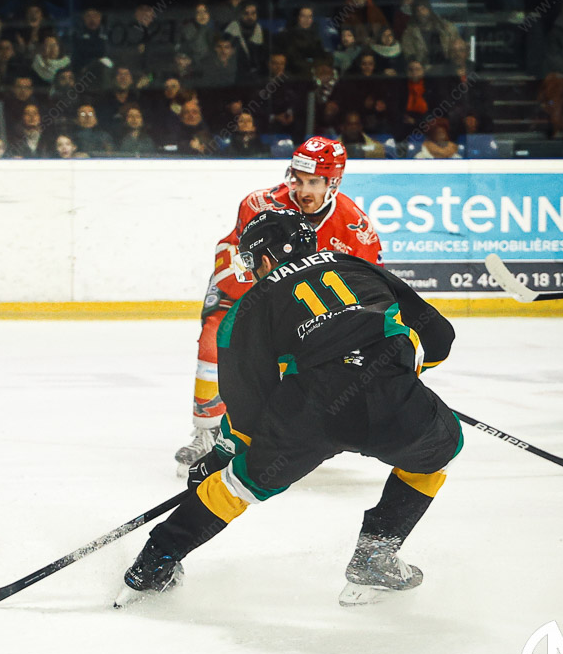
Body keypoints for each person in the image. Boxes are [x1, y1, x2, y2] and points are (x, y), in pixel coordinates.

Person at [118, 210, 459, 608]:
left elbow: (247, 414)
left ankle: (152, 565)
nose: (251, 272)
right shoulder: (355, 265)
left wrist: (222, 458)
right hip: (392, 395)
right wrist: (398, 370)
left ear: (266, 258)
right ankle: (375, 556)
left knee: (239, 485)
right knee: (439, 451)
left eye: (251, 261)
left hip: (310, 410)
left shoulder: (246, 310)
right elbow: (439, 336)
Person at [175, 137, 384, 475]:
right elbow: (234, 259)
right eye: (298, 180)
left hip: (303, 306)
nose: (303, 190)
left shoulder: (355, 229)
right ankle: (207, 432)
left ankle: (295, 431)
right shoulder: (259, 204)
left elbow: (371, 291)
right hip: (245, 289)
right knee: (213, 342)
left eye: (313, 182)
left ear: (333, 183)